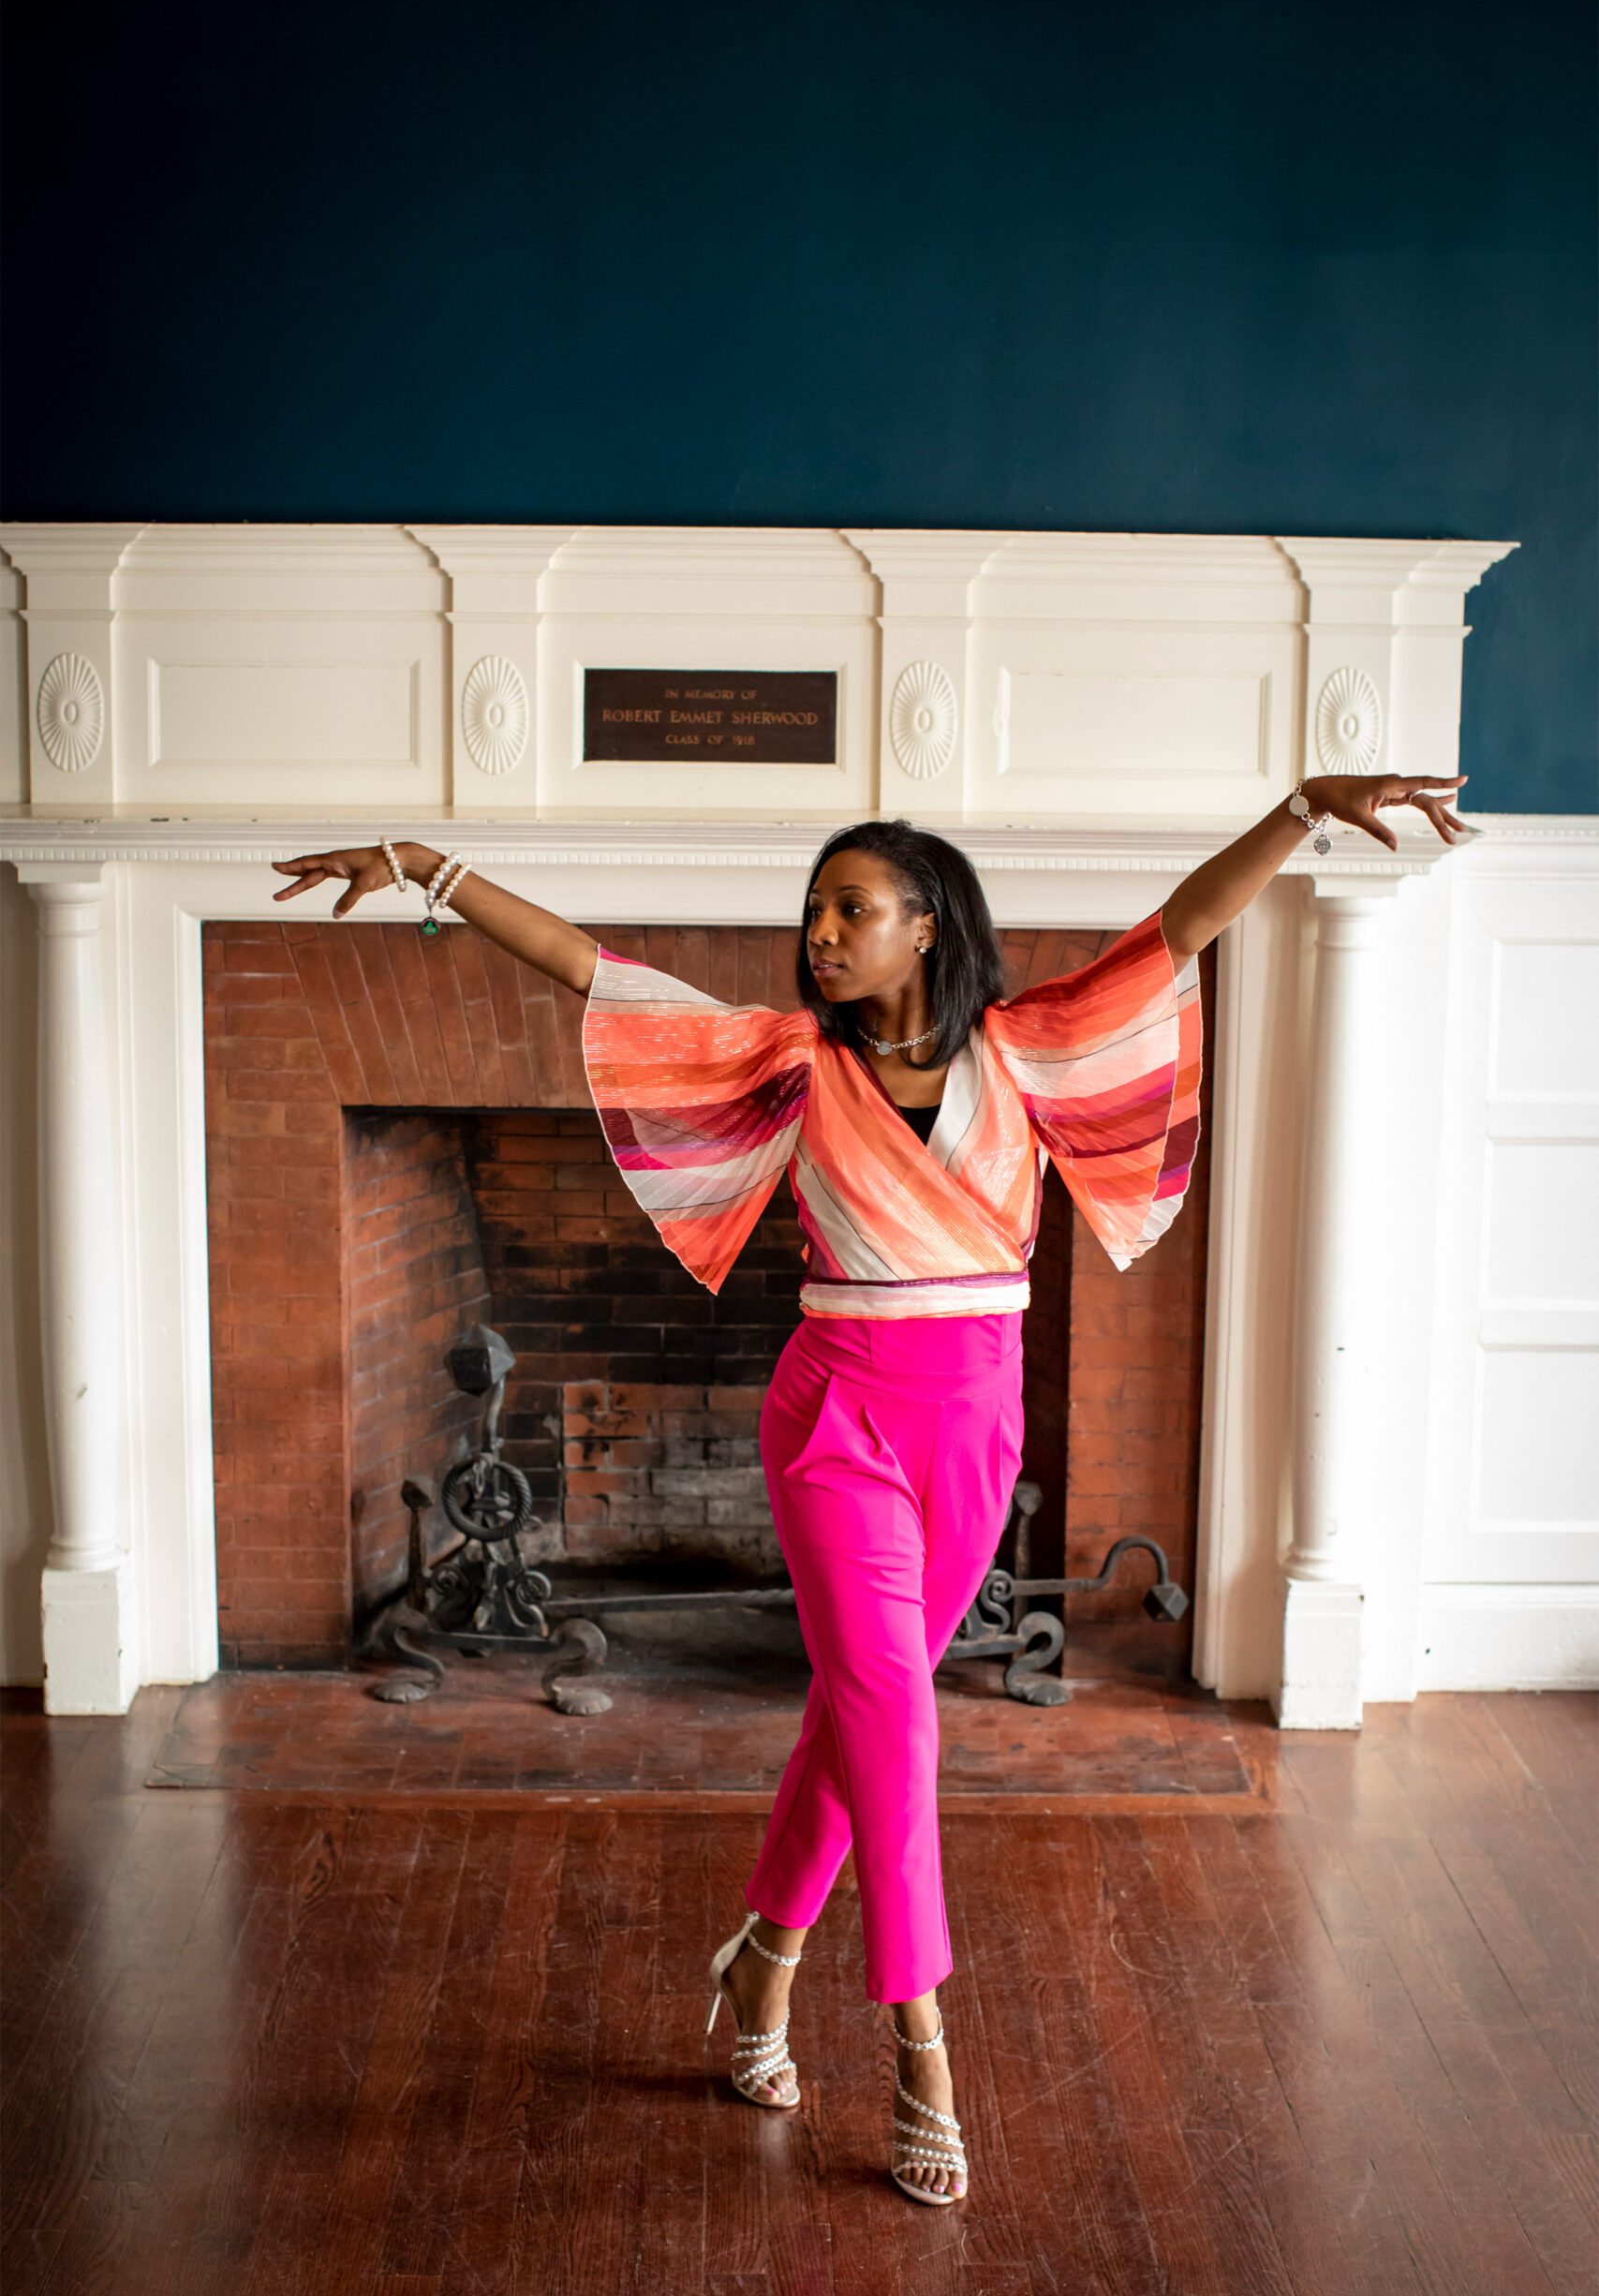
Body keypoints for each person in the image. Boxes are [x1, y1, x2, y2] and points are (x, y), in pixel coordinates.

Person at [272, 767, 1468, 2207]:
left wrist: (1300, 811)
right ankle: (923, 2047)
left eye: (854, 907)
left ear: (931, 925)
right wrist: (433, 871)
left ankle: (762, 1957)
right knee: (897, 1718)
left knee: (859, 1715)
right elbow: (604, 975)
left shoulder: (1025, 1052)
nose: (822, 933)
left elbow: (1180, 932)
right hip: (833, 1415)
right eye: (814, 912)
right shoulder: (791, 1062)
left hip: (972, 1427)